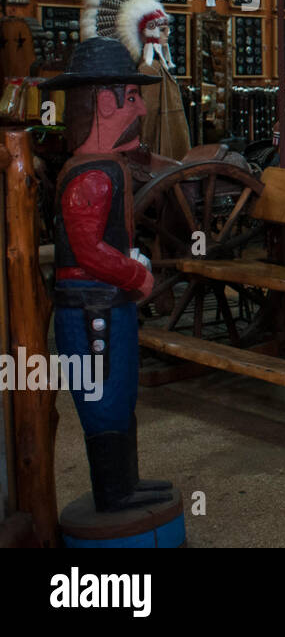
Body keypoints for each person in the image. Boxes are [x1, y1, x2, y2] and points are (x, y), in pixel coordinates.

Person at [41, 37, 174, 512]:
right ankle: (114, 491)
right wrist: (135, 276)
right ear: (103, 102)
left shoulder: (103, 169)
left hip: (104, 304)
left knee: (119, 395)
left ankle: (125, 483)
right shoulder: (93, 176)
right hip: (92, 306)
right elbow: (88, 250)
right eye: (131, 97)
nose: (139, 108)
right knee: (105, 398)